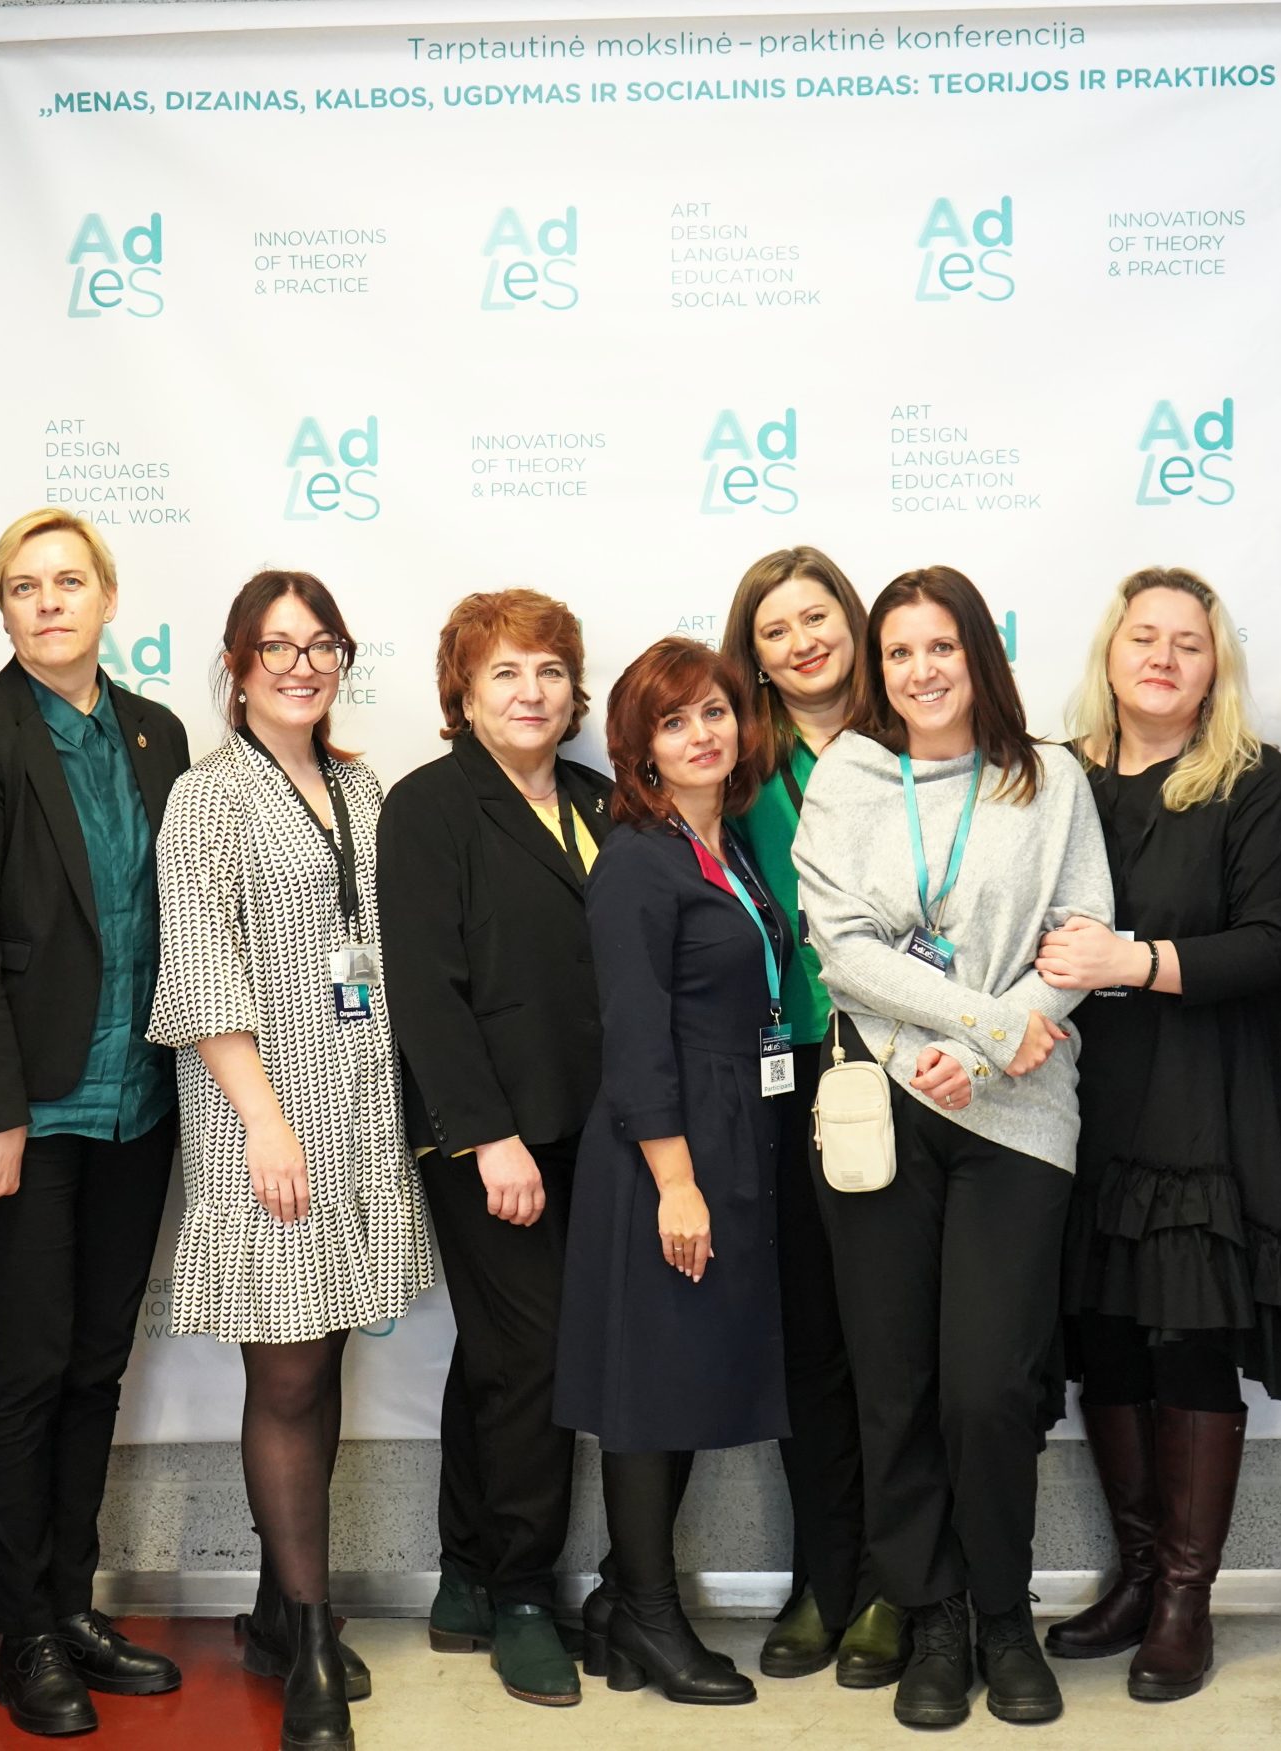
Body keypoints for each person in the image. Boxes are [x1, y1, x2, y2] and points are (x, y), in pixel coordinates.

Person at [794, 566, 1112, 1731]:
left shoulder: (1050, 776)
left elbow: (1079, 941)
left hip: (1018, 1110)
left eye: (941, 647)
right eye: (899, 652)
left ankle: (1001, 1614)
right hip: (884, 1100)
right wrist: (968, 1029)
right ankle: (931, 1616)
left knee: (989, 1386)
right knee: (896, 1382)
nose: (921, 670)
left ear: (980, 654)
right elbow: (843, 949)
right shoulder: (848, 774)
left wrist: (984, 1057)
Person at [1035, 568, 1281, 1700]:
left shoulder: (1250, 781)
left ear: (1217, 665)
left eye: (1188, 641)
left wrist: (1134, 960)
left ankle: (1184, 1597)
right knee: (1108, 1339)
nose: (1163, 657)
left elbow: (1272, 944)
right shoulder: (1060, 777)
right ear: (1109, 652)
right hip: (1079, 1104)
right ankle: (1132, 1576)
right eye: (1144, 637)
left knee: (1188, 1342)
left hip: (1205, 1102)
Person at [0, 508, 190, 1734]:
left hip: (136, 1102)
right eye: (23, 586)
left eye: (69, 581)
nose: (48, 602)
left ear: (107, 596)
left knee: (94, 1361)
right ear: (5, 609)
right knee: (26, 1365)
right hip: (19, 1112)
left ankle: (72, 1603)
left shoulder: (156, 731)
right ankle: (21, 1631)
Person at [148, 572, 434, 1751]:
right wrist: (265, 1121)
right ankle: (311, 1636)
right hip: (262, 1114)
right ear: (236, 662)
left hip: (356, 1107)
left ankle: (279, 1606)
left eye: (321, 646)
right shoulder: (207, 796)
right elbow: (200, 962)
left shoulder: (362, 787)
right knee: (286, 1373)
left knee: (326, 1355)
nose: (302, 666)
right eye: (277, 646)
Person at [376, 590, 613, 1707]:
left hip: (592, 1128)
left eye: (549, 671)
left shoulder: (603, 802)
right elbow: (425, 989)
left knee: (500, 1352)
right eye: (505, 672)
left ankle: (466, 1572)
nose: (531, 691)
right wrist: (485, 1136)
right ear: (462, 694)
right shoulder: (429, 806)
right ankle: (523, 1592)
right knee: (535, 1354)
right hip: (486, 1138)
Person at [553, 637, 791, 1709]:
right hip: (666, 1147)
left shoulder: (725, 845)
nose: (703, 733)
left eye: (715, 712)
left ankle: (618, 1595)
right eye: (675, 719)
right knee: (652, 1388)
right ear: (640, 747)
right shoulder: (639, 860)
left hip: (732, 1128)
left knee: (688, 1374)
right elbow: (636, 1034)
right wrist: (676, 1181)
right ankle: (651, 1616)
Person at [716, 547, 898, 1686]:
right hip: (783, 1080)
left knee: (894, 1340)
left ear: (854, 622)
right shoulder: (737, 765)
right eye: (774, 629)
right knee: (811, 1343)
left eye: (816, 617)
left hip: (904, 1069)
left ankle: (893, 1578)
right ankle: (822, 1575)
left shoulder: (915, 739)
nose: (801, 643)